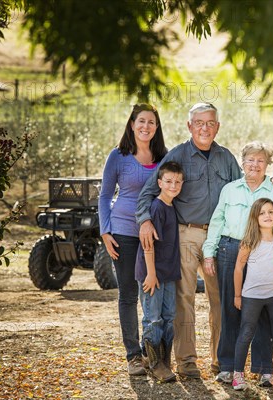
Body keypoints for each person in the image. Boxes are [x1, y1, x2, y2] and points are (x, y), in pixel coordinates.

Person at [136, 102, 242, 378]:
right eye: (199, 123)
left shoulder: (226, 158)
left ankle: (222, 360)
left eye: (210, 123)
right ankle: (187, 362)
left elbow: (244, 192)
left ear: (217, 126)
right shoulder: (178, 155)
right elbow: (148, 192)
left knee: (222, 298)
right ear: (189, 126)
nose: (205, 128)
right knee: (184, 300)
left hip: (219, 237)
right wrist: (144, 221)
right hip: (185, 235)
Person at [202, 142, 273, 386]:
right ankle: (227, 367)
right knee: (231, 308)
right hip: (230, 249)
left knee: (264, 310)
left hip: (264, 252)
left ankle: (264, 369)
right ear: (242, 162)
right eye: (250, 160)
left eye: (261, 161)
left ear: (267, 165)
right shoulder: (230, 190)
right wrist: (209, 253)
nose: (255, 165)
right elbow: (217, 220)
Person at [99, 103, 168, 376]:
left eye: (151, 122)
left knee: (152, 292)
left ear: (157, 127)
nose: (145, 127)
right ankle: (133, 356)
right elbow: (105, 196)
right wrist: (105, 231)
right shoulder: (118, 156)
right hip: (123, 233)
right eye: (141, 121)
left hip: (153, 233)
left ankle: (153, 351)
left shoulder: (164, 157)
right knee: (128, 294)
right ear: (131, 124)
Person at [231, 198, 273, 391]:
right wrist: (238, 295)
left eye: (271, 212)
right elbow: (239, 268)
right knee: (246, 333)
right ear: (255, 218)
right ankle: (237, 375)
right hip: (251, 296)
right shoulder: (250, 241)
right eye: (262, 213)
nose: (267, 216)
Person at [135, 161, 184, 383]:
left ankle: (164, 360)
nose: (173, 185)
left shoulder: (172, 207)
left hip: (168, 273)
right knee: (153, 318)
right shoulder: (156, 208)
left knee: (168, 316)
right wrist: (151, 273)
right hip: (151, 273)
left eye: (177, 181)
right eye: (168, 181)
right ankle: (155, 364)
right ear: (159, 183)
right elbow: (148, 244)